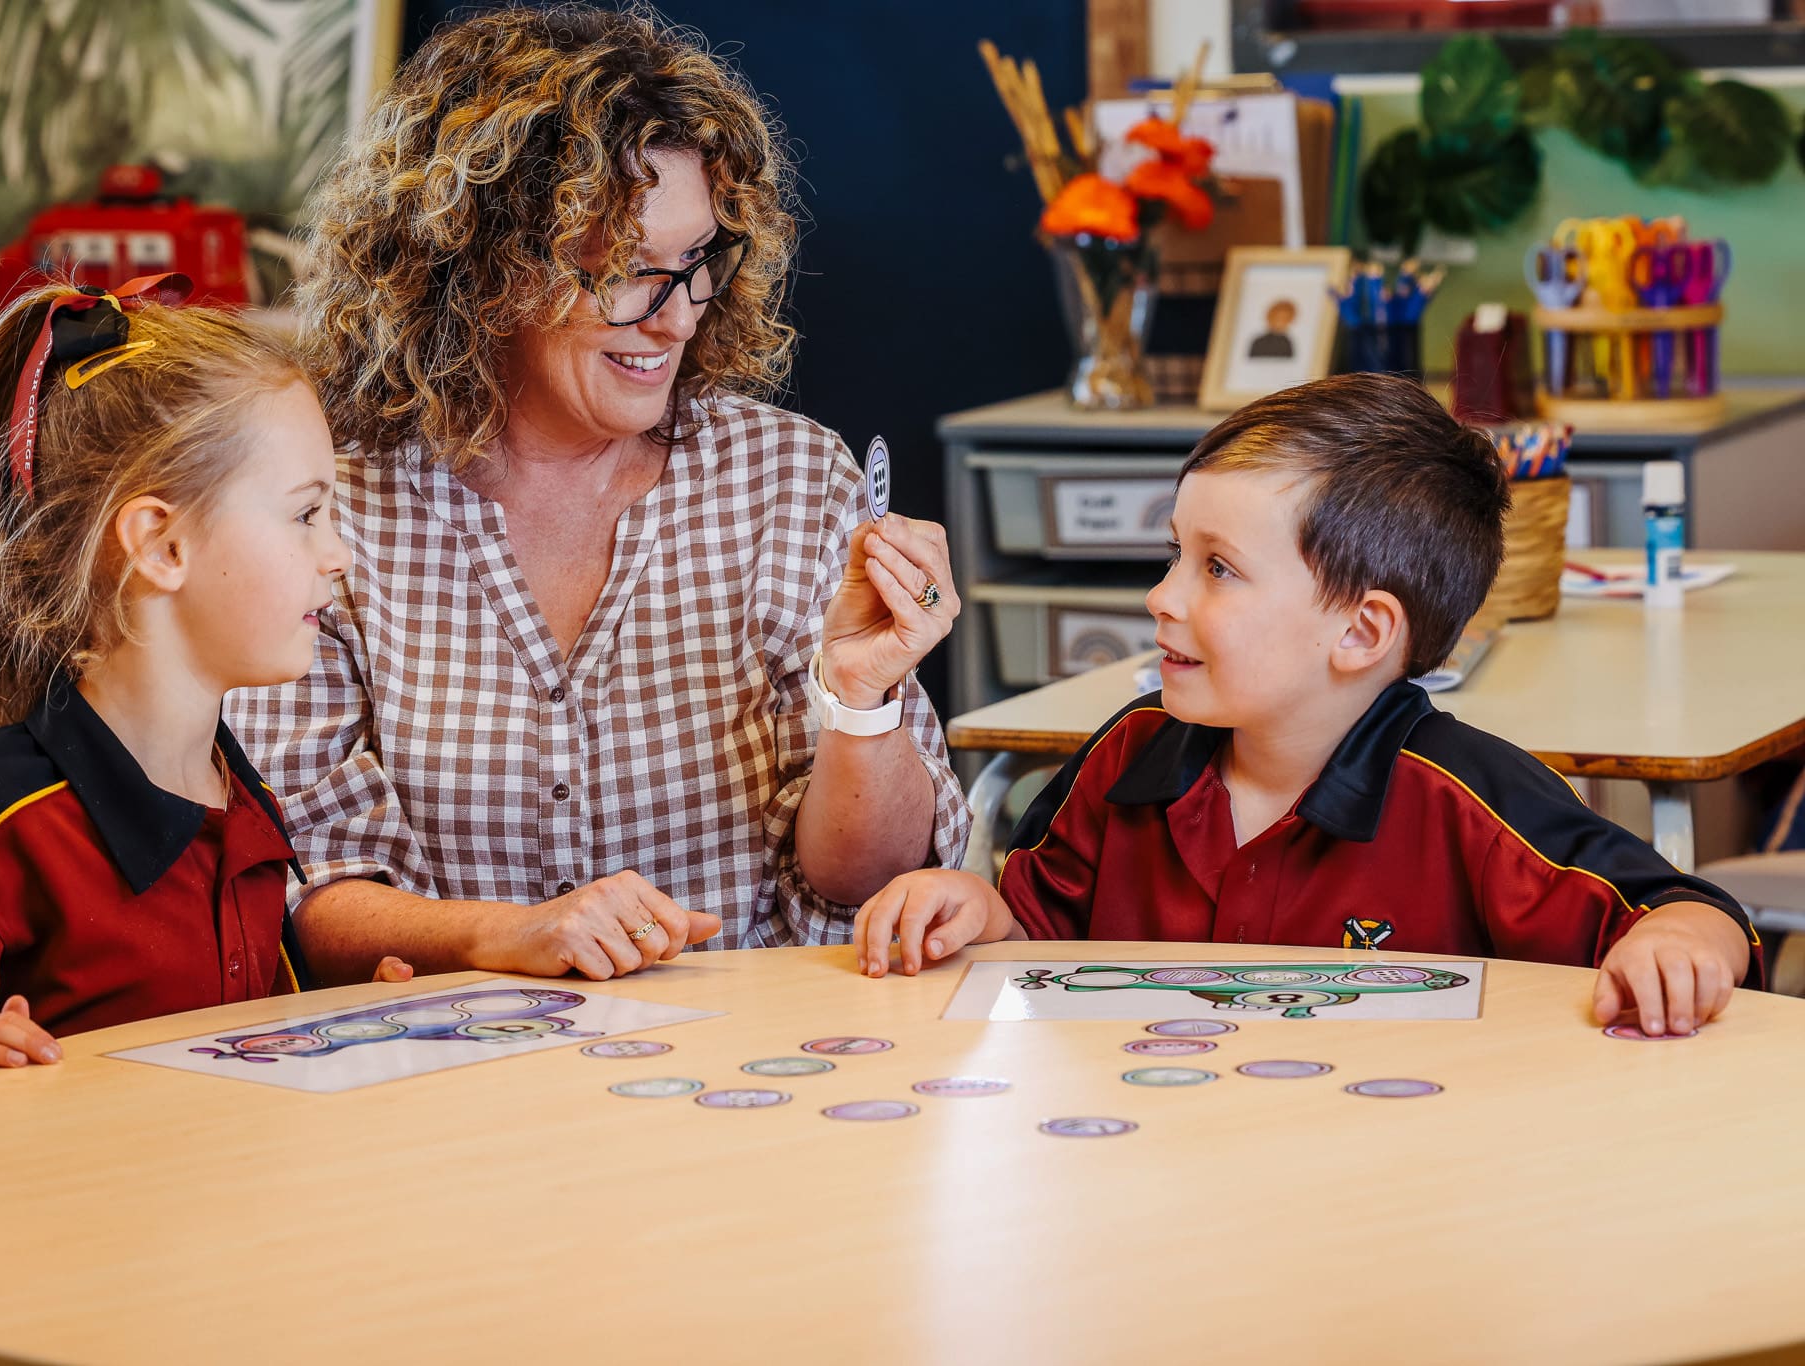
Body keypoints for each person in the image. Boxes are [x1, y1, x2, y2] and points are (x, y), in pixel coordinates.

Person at [229, 5, 970, 984]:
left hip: (758, 1076)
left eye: (697, 261)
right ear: (478, 265)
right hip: (454, 1080)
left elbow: (860, 887)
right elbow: (298, 891)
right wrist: (502, 937)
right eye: (623, 269)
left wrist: (865, 700)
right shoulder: (337, 503)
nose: (672, 319)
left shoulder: (788, 480)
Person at [852, 374, 1761, 1037]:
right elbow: (1036, 925)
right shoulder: (1128, 756)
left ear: (1362, 634)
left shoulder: (1465, 797)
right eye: (1175, 555)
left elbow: (1689, 910)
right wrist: (972, 903)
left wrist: (1683, 944)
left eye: (1218, 569)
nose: (1161, 597)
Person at [0, 279, 410, 1113]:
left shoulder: (244, 800)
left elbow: (250, 1048)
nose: (338, 556)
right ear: (161, 545)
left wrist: (345, 1021)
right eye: (306, 516)